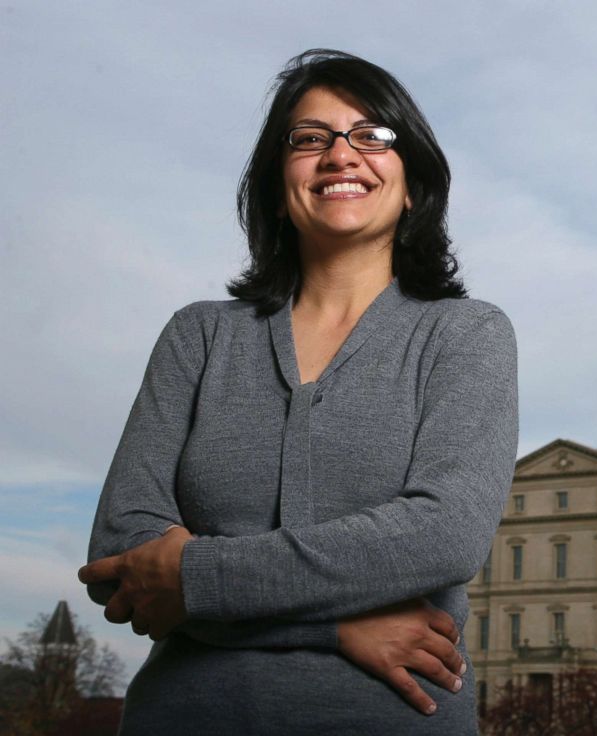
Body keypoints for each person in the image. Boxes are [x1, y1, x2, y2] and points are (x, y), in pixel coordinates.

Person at [78, 49, 518, 735]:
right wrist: (337, 627)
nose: (341, 155)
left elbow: (443, 536)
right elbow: (121, 557)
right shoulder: (198, 336)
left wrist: (194, 579)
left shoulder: (466, 335)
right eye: (310, 139)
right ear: (276, 185)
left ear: (413, 186)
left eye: (373, 136)